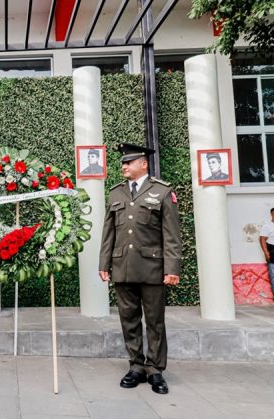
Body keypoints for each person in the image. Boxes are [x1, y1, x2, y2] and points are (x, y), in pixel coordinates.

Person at [98, 142, 182, 395]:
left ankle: (155, 369)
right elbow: (108, 232)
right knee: (129, 319)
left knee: (155, 321)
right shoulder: (116, 193)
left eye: (128, 162)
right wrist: (104, 263)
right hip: (123, 266)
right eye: (123, 162)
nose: (123, 166)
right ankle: (136, 366)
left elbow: (171, 235)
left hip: (153, 268)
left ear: (143, 164)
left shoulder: (162, 191)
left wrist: (172, 268)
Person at [259, 208, 274, 297]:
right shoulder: (267, 226)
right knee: (273, 276)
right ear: (271, 215)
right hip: (272, 251)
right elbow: (262, 239)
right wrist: (266, 252)